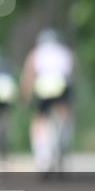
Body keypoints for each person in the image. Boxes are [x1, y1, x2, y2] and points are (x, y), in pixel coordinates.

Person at [21, 28, 76, 173]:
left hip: (44, 85)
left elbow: (29, 75)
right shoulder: (66, 52)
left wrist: (26, 97)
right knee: (64, 112)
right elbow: (73, 73)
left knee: (39, 118)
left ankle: (42, 152)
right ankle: (65, 138)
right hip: (62, 84)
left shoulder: (36, 53)